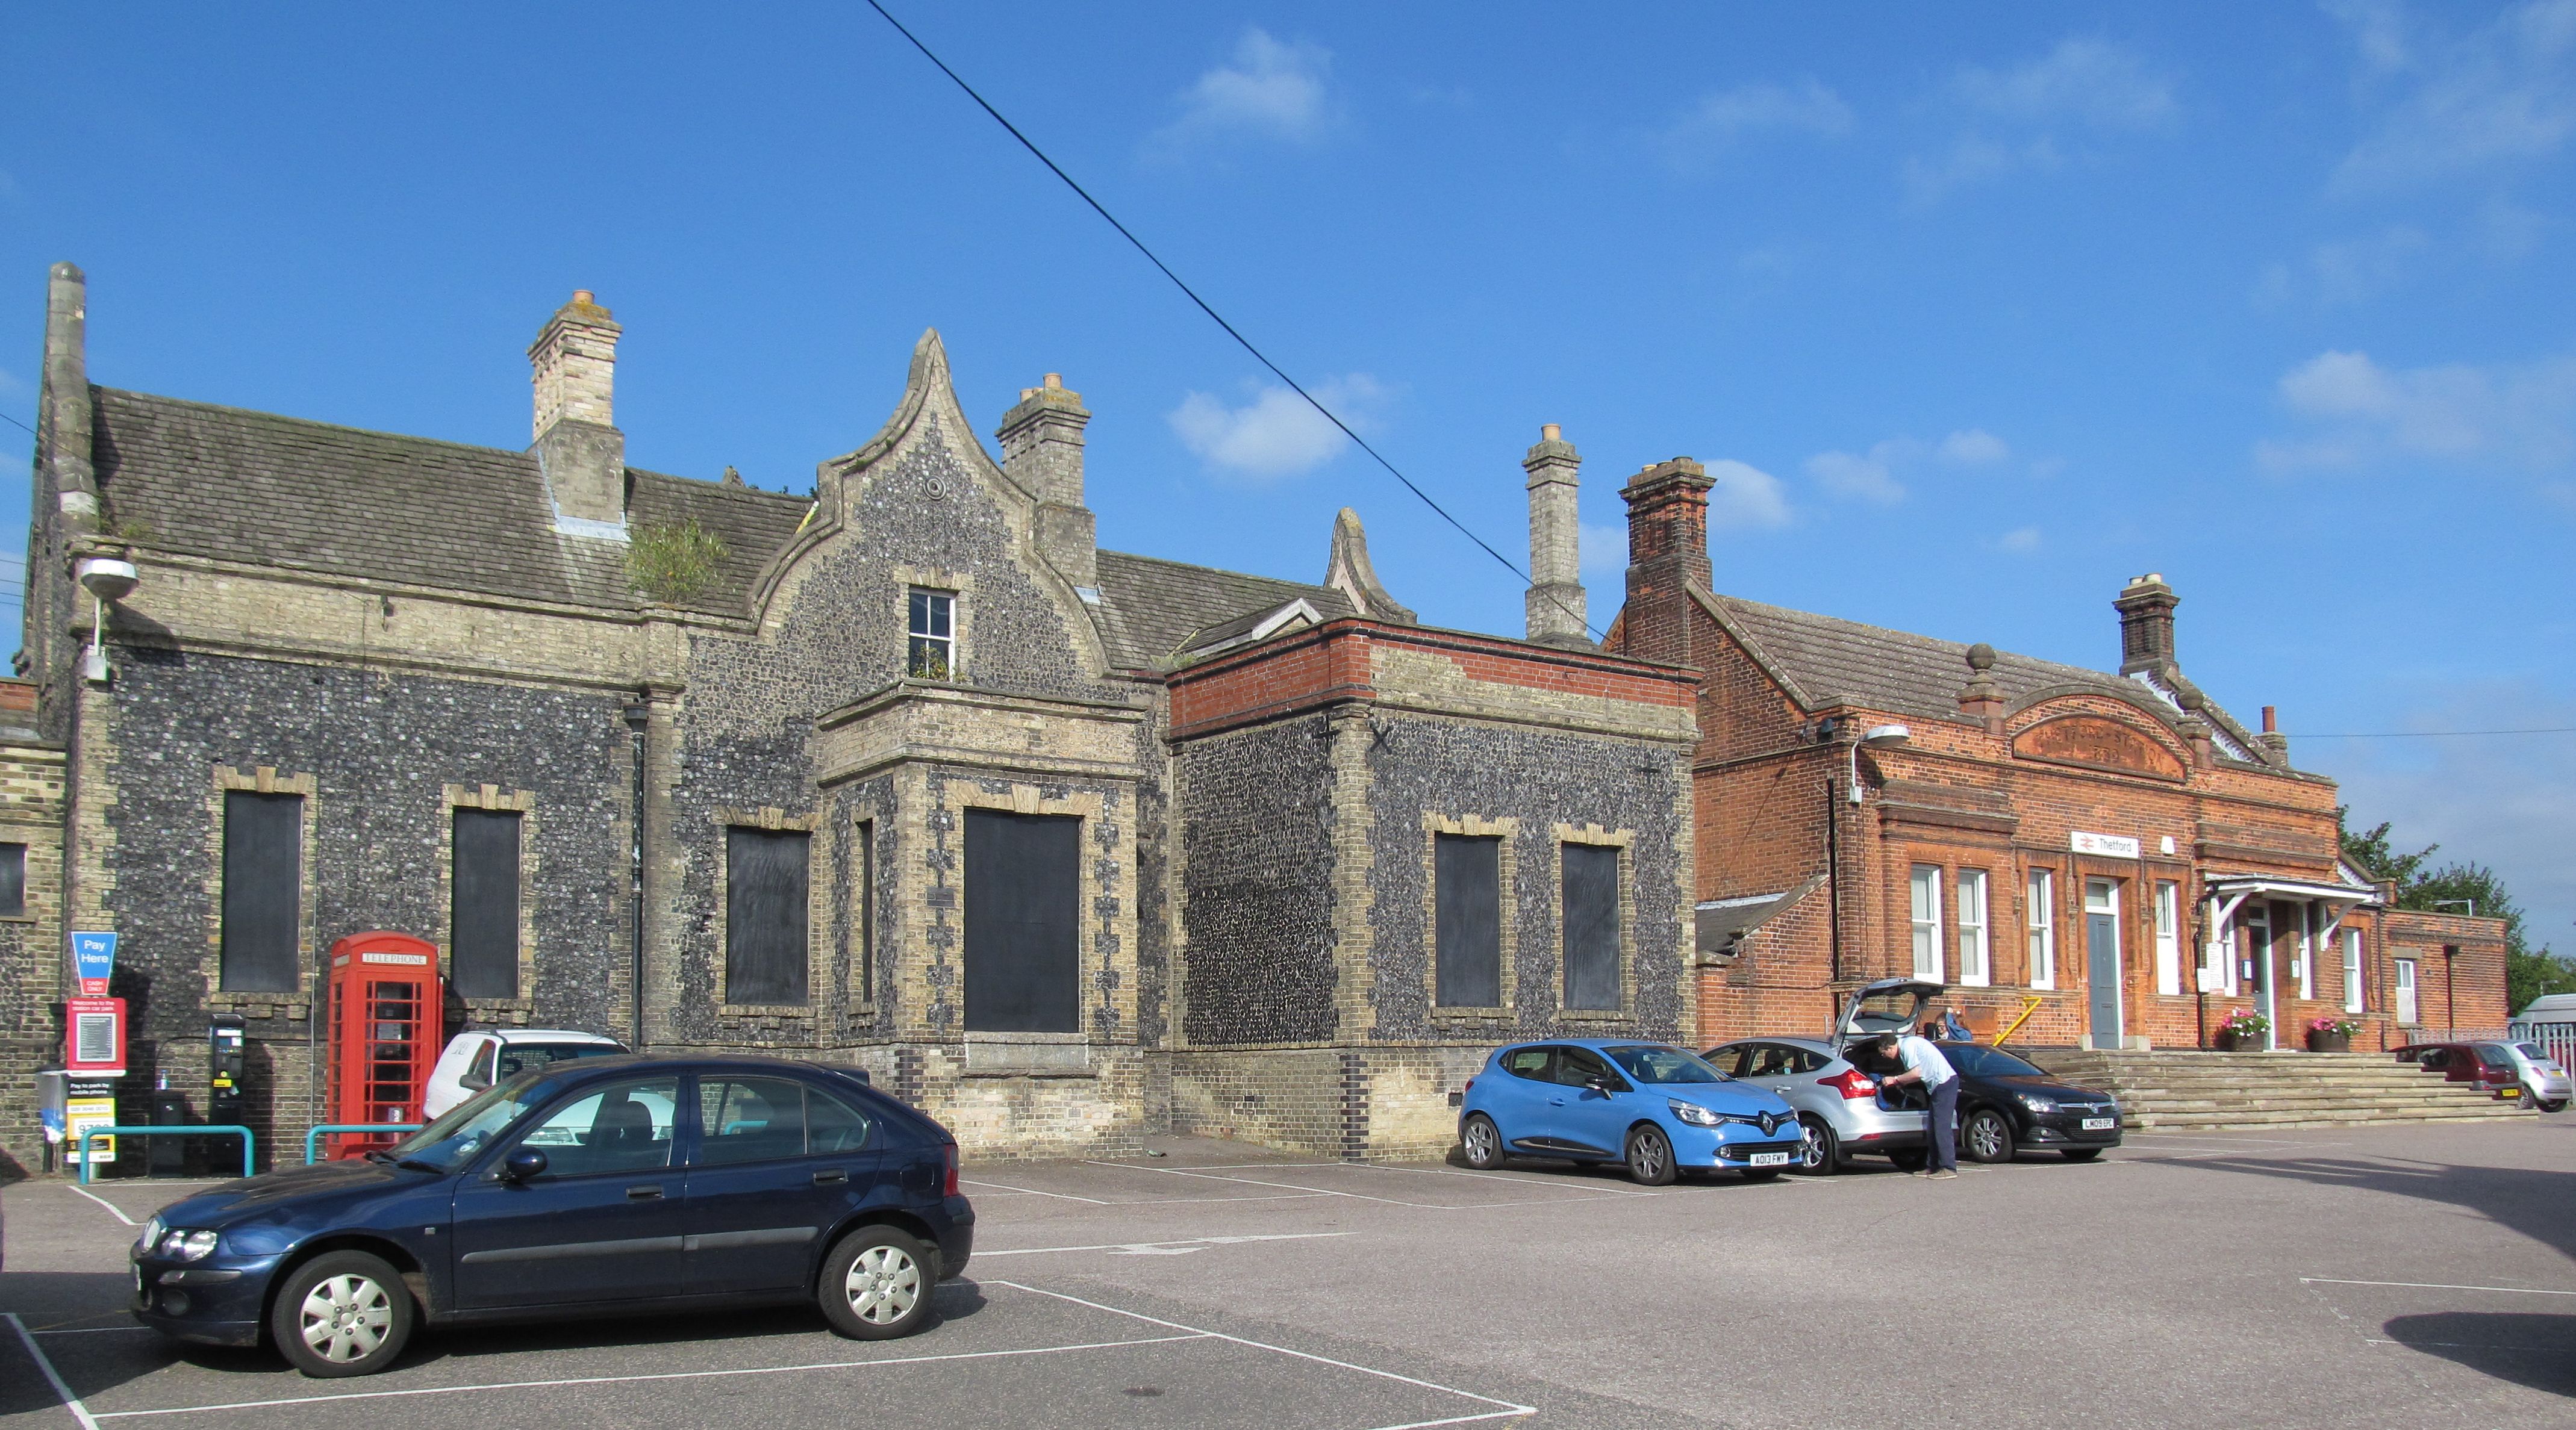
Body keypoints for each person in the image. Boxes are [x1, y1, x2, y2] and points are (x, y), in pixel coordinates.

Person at [1878, 1025, 1960, 1179]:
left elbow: (1916, 1073)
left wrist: (1895, 1080)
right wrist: (1901, 1082)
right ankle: (1933, 1167)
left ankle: (1949, 1167)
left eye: (1884, 1054)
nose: (1886, 1057)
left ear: (1889, 1048)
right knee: (1933, 1128)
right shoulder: (1907, 1045)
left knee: (1941, 1126)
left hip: (1945, 1083)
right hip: (1937, 1086)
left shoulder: (1907, 1047)